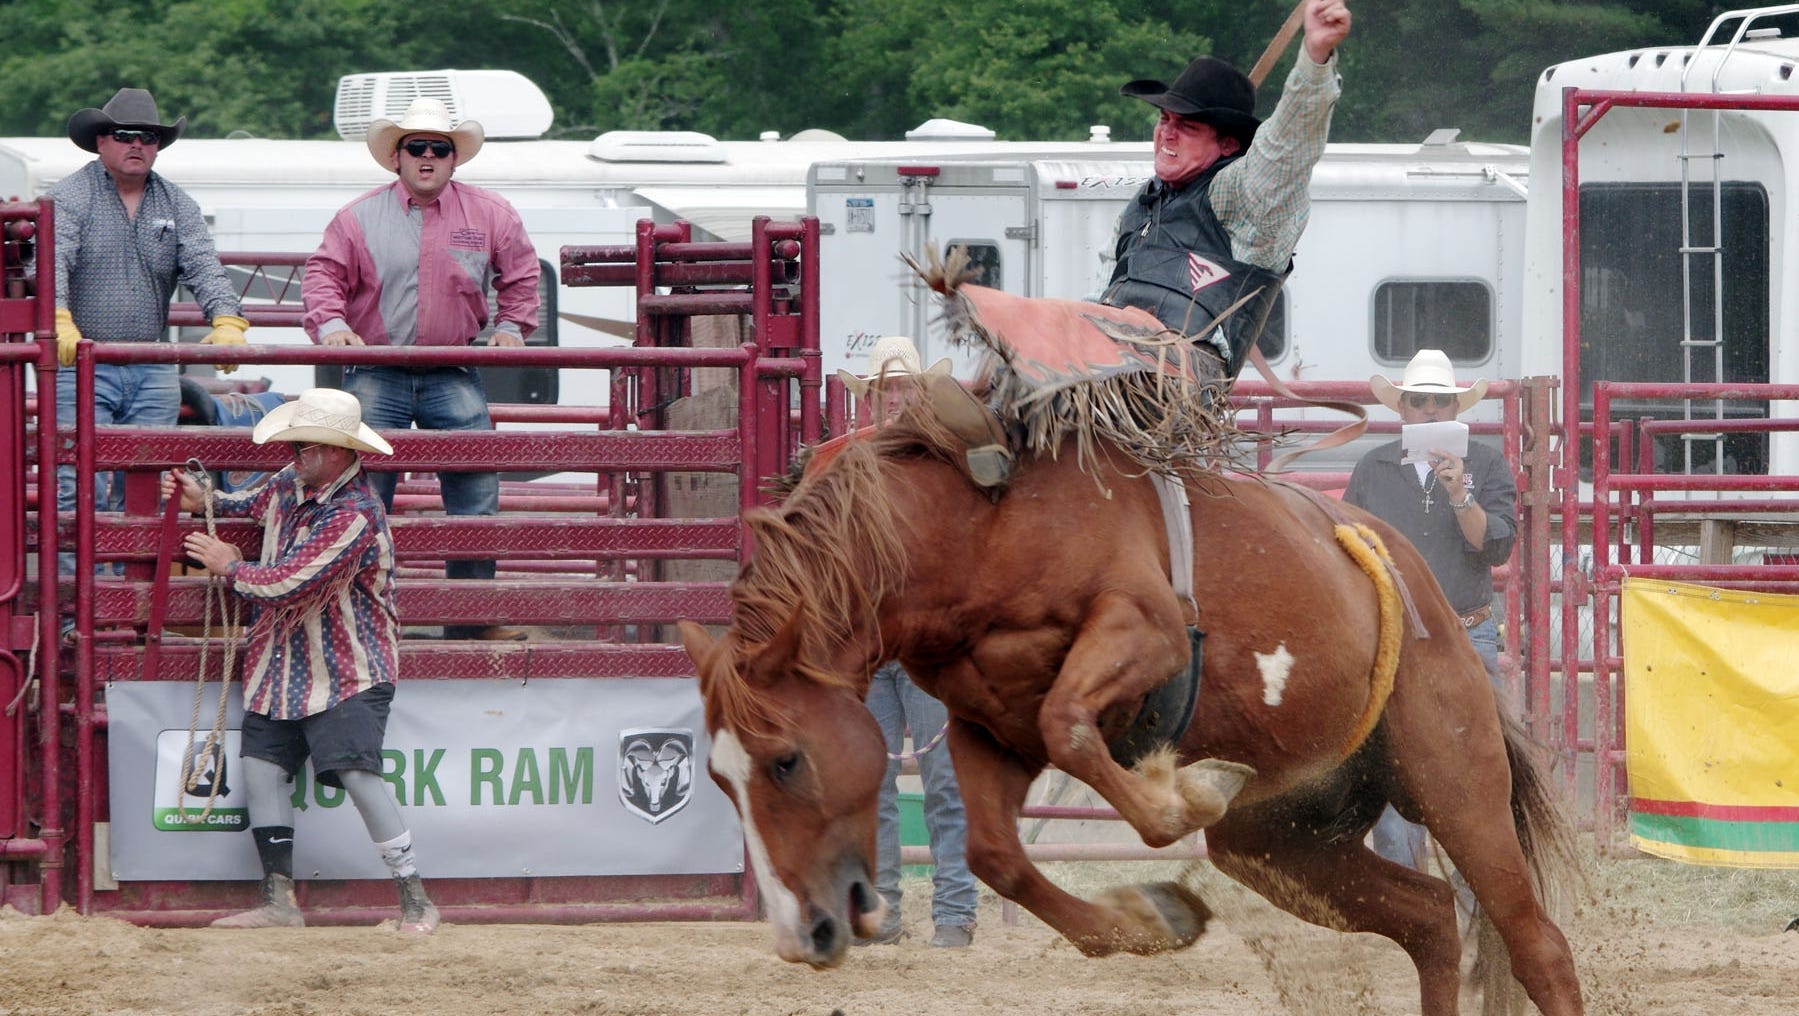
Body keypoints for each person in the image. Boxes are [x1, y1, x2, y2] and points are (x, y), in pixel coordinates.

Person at [160, 387, 438, 933]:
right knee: (262, 769)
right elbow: (244, 504)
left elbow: (288, 584)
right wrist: (204, 497)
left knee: (356, 773)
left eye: (302, 446)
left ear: (334, 451)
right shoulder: (293, 482)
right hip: (285, 661)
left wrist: (229, 566)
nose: (292, 454)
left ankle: (415, 901)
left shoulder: (355, 513)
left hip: (347, 668)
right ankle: (280, 901)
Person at [301, 96, 540, 642]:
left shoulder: (492, 214)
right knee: (361, 495)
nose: (427, 156)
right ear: (397, 157)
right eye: (416, 147)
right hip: (377, 366)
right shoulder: (357, 217)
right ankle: (355, 622)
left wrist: (512, 327)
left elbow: (522, 276)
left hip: (451, 365)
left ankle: (470, 620)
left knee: (475, 490)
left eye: (439, 148)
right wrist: (331, 323)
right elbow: (322, 277)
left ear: (454, 159)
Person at [50, 88, 249, 581]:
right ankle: (81, 600)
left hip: (150, 361)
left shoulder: (176, 202)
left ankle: (130, 596)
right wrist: (58, 315)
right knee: (75, 483)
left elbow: (203, 265)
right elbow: (54, 258)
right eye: (124, 135)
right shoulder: (70, 196)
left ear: (158, 146)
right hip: (82, 359)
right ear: (102, 141)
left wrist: (226, 316)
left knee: (148, 480)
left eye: (148, 137)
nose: (136, 144)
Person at [1101, 0, 1352, 380]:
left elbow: (1286, 145)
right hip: (1106, 370)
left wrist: (1315, 59)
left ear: (1228, 145)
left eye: (1187, 126)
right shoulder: (1142, 204)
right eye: (1164, 119)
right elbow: (1104, 292)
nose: (1167, 132)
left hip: (1174, 388)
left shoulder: (1238, 195)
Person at [1342, 348, 1518, 880]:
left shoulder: (1485, 465)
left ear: (1455, 409)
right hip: (1397, 640)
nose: (1430, 410)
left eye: (1440, 402)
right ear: (1403, 409)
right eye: (1419, 401)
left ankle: (1473, 900)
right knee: (1396, 783)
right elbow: (1349, 550)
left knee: (1478, 779)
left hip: (1464, 633)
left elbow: (1496, 548)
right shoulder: (1373, 468)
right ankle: (1417, 904)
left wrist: (1459, 493)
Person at [838, 337, 979, 948]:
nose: (893, 398)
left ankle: (952, 912)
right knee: (877, 788)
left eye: (901, 388)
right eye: (885, 389)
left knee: (943, 781)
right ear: (871, 398)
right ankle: (892, 912)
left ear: (918, 394)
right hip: (877, 649)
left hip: (922, 648)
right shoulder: (852, 466)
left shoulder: (938, 464)